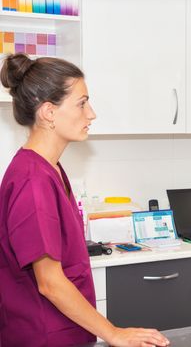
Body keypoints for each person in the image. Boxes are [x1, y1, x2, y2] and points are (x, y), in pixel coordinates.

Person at [0, 53, 170, 347]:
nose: (91, 114)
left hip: (65, 330)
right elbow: (50, 282)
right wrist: (113, 333)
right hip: (43, 335)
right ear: (49, 112)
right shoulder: (32, 181)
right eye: (81, 103)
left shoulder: (49, 168)